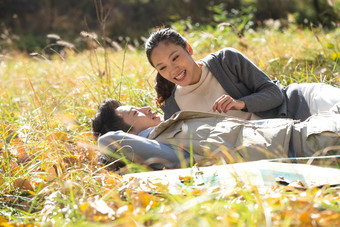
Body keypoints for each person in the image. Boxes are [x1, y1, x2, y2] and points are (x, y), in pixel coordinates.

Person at [145, 28, 340, 120]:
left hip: (300, 103)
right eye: (162, 67)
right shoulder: (174, 108)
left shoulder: (225, 61)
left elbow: (275, 94)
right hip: (291, 136)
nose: (173, 70)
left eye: (175, 57)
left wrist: (242, 103)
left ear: (188, 48)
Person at [92, 98, 340, 170]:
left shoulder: (170, 130)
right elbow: (107, 141)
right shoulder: (164, 149)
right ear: (131, 135)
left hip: (304, 128)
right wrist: (108, 156)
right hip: (306, 144)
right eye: (136, 113)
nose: (146, 108)